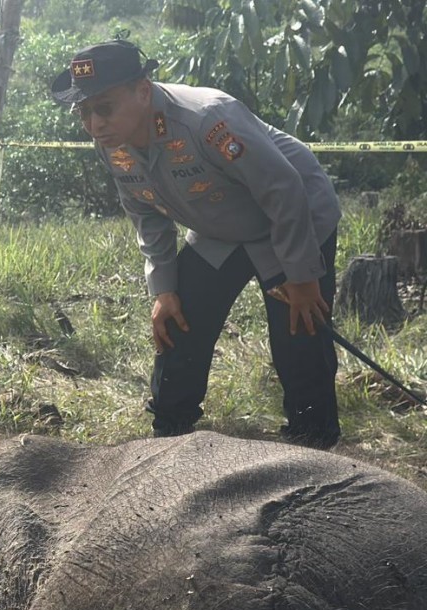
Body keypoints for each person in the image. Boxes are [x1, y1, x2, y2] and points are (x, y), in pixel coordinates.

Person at [51, 40, 342, 449]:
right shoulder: (113, 143)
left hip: (291, 219)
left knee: (299, 328)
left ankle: (314, 439)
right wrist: (164, 288)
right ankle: (169, 431)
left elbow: (283, 188)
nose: (94, 124)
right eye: (83, 113)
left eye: (104, 107)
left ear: (143, 90)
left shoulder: (207, 119)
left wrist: (302, 276)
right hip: (219, 228)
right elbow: (146, 214)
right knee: (176, 320)